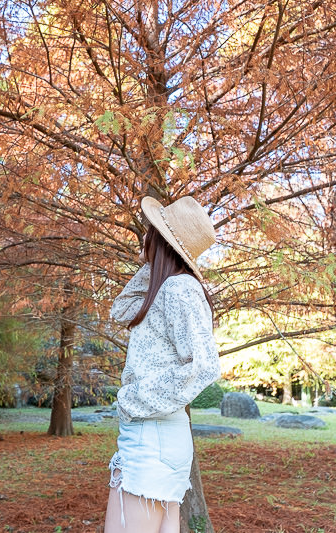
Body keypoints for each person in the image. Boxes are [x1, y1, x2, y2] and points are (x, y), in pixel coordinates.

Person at [105, 196, 221, 533]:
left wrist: (134, 399)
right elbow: (122, 309)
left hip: (151, 437)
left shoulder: (179, 289)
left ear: (163, 240)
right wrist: (151, 260)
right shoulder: (167, 286)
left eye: (150, 230)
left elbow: (204, 365)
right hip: (154, 437)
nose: (144, 235)